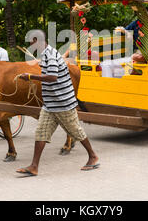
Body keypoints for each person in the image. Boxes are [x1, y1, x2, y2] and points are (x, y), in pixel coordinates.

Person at [16, 30, 99, 176]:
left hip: (63, 102)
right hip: (50, 104)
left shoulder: (51, 55)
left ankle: (93, 156)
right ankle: (34, 166)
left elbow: (52, 77)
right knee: (41, 133)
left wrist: (30, 76)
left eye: (31, 43)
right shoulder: (46, 54)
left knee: (75, 131)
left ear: (38, 41)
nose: (31, 46)